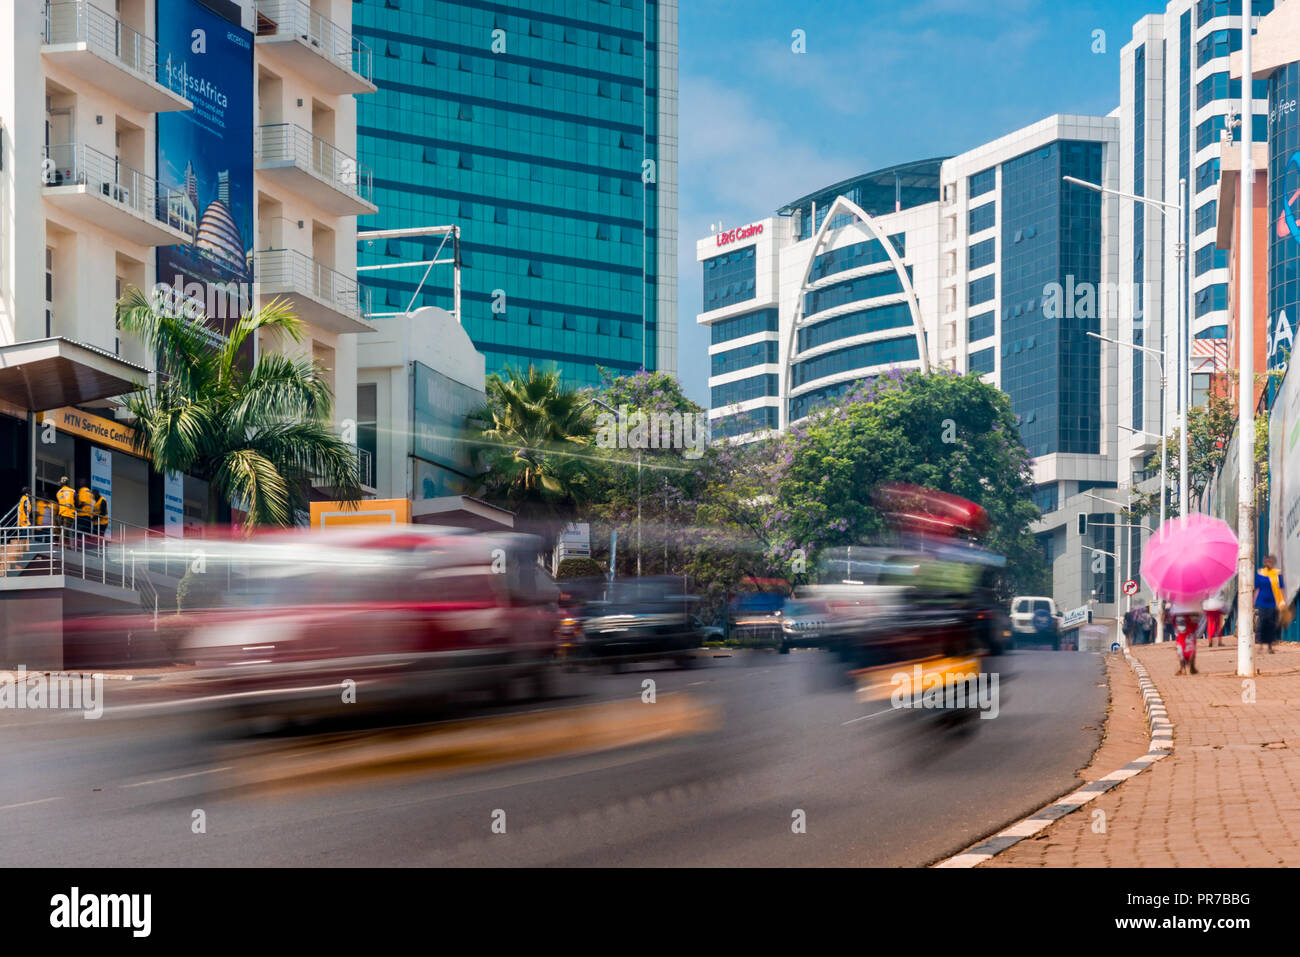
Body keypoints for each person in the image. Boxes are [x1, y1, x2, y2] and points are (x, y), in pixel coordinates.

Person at [1255, 555, 1287, 654]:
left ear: (1273, 563)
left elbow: (1282, 588)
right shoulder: (1260, 573)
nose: (1267, 564)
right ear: (1264, 563)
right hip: (1262, 602)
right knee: (1262, 623)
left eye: (1269, 562)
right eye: (1266, 562)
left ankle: (1270, 646)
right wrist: (1253, 601)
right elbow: (1257, 588)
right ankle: (1260, 645)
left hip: (1273, 603)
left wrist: (1283, 601)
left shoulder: (1277, 574)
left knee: (1271, 624)